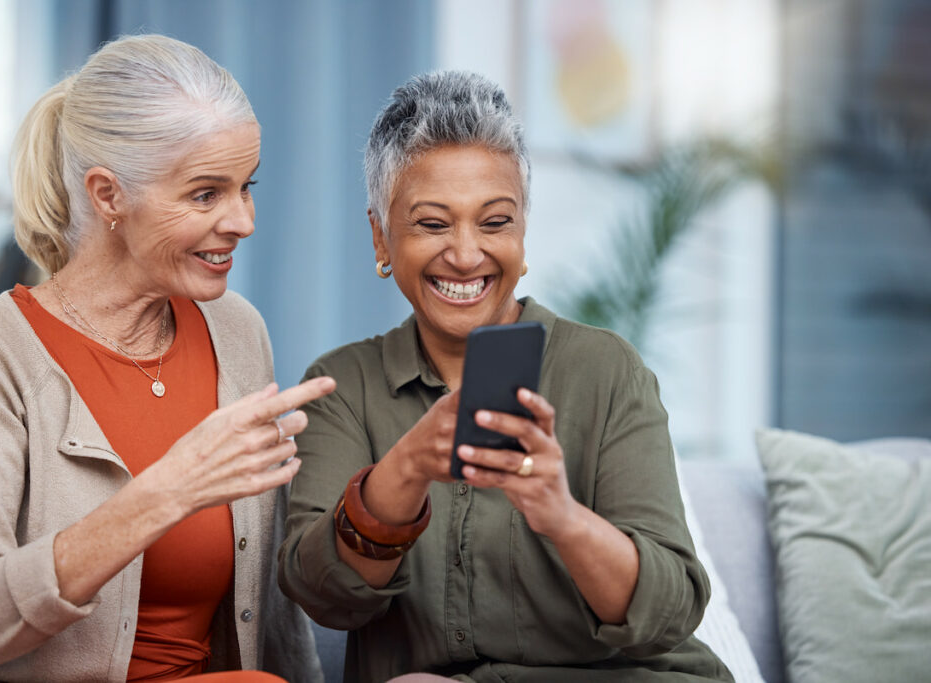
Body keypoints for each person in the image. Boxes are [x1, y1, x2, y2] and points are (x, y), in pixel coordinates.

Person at [278, 71, 734, 682]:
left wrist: (561, 515)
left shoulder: (605, 370)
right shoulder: (341, 389)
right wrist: (406, 468)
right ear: (380, 236)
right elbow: (324, 598)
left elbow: (668, 614)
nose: (466, 255)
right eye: (433, 224)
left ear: (521, 233)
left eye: (494, 222)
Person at [0, 35, 334, 681]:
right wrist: (166, 490)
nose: (243, 220)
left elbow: (267, 610)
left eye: (246, 187)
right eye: (204, 194)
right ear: (108, 195)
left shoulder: (235, 328)